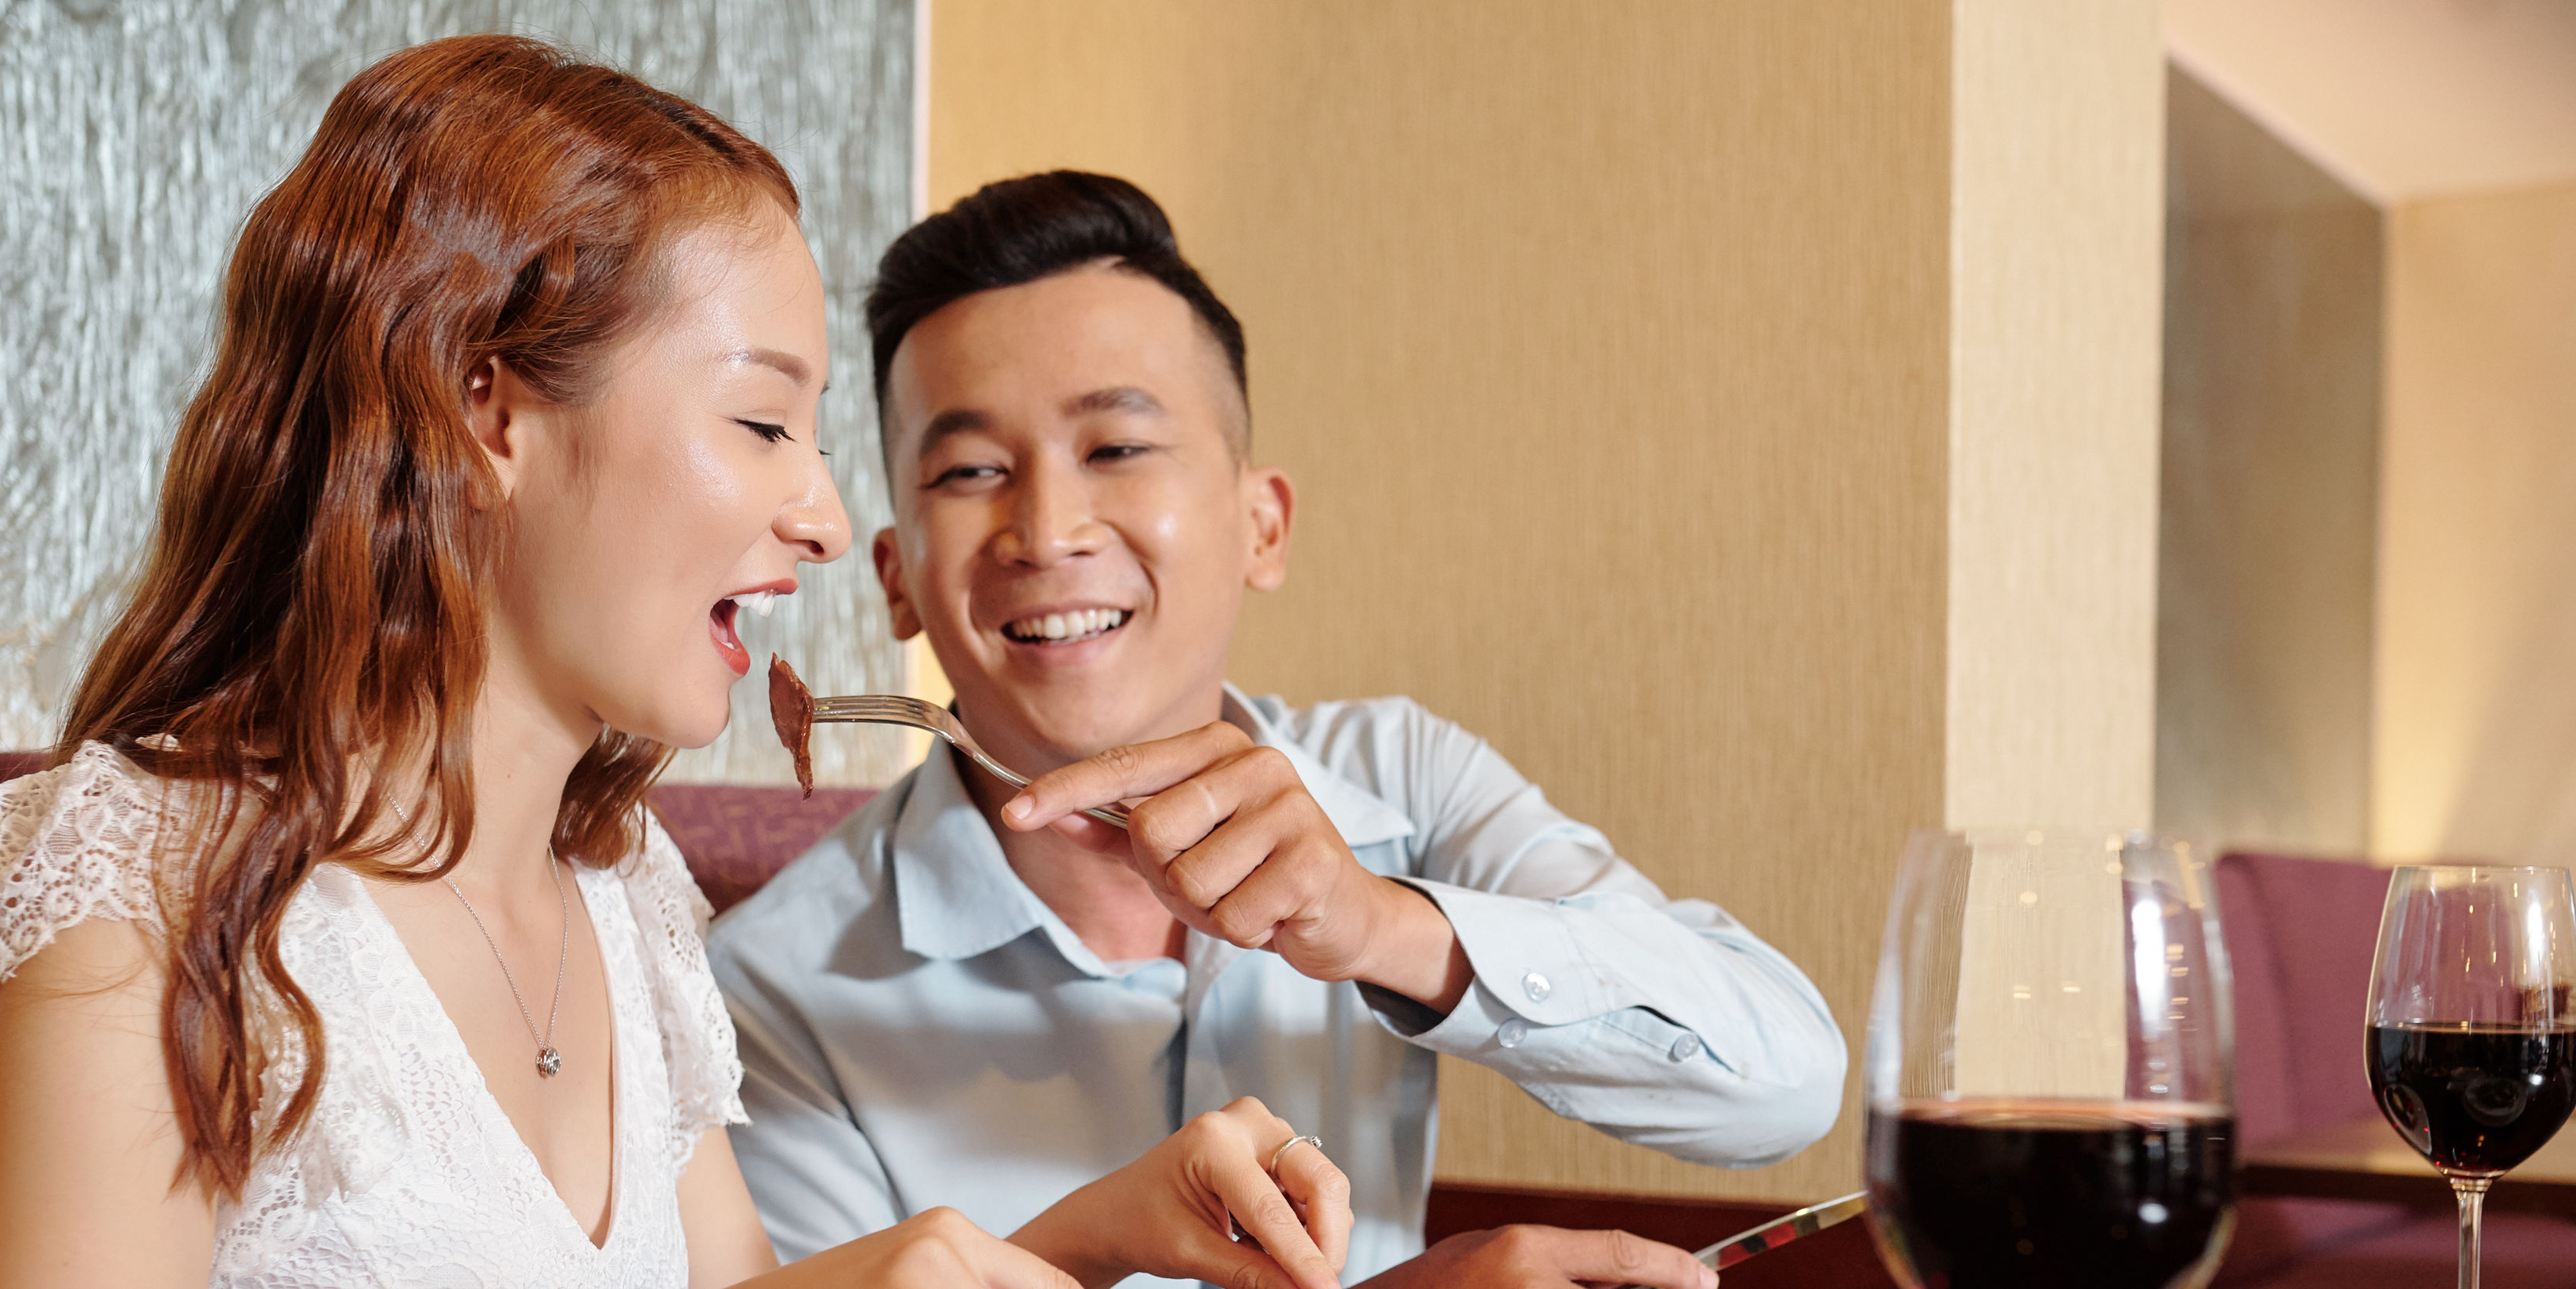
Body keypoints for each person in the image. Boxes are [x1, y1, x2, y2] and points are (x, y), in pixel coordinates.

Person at [0, 42, 1347, 1289]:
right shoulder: (130, 904)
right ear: (481, 410)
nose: (828, 518)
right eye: (764, 425)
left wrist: (1104, 1227)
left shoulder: (620, 891)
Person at [706, 170, 1848, 1288]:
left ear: (1263, 526)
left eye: (1115, 448)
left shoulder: (1403, 783)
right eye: (972, 469)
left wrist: (1379, 929)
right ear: (898, 579)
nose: (1047, 530)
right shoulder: (770, 992)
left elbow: (1784, 1084)